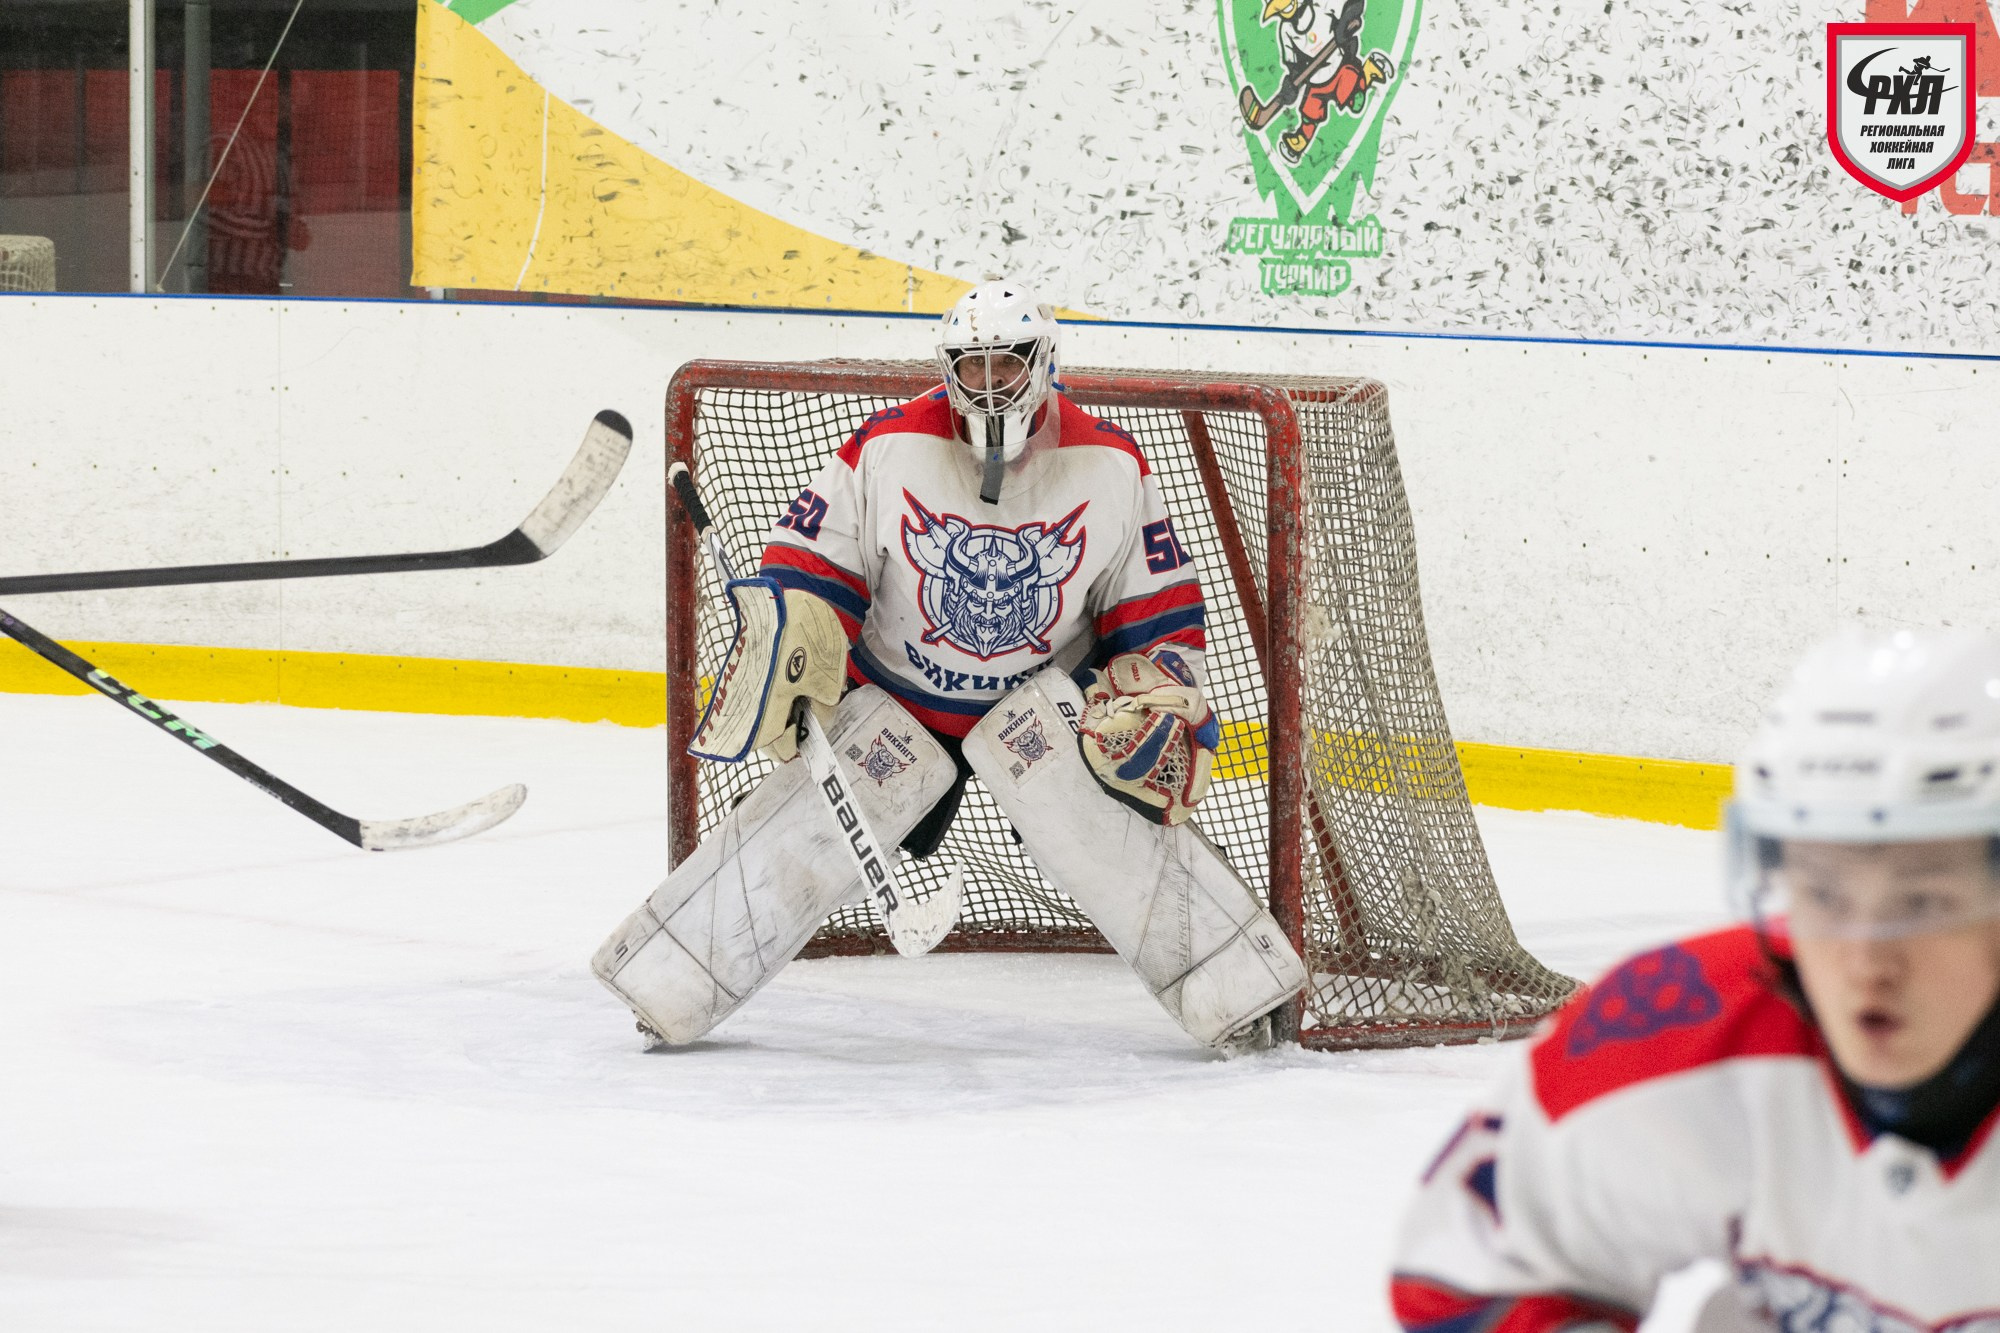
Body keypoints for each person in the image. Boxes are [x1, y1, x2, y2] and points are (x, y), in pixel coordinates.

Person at [591, 280, 1306, 1052]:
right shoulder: (888, 446)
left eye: (1009, 365)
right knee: (812, 825)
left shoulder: (1112, 465)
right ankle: (668, 984)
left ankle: (1240, 996)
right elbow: (814, 567)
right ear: (948, 368)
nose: (991, 384)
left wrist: (1165, 694)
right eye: (974, 367)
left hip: (1035, 709)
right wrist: (792, 644)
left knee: (1095, 814)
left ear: (1044, 361)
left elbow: (1155, 612)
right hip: (896, 704)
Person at [1391, 627, 2000, 1331]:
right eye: (1825, 896)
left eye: (1919, 904)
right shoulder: (1678, 1027)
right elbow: (1475, 1270)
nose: (1863, 961)